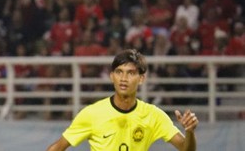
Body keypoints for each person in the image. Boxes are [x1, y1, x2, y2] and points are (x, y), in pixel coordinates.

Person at [46, 49, 199, 151]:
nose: (124, 79)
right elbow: (57, 148)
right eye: (119, 72)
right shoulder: (92, 113)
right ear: (112, 76)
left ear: (141, 78)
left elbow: (187, 149)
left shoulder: (154, 115)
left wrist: (189, 131)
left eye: (131, 73)